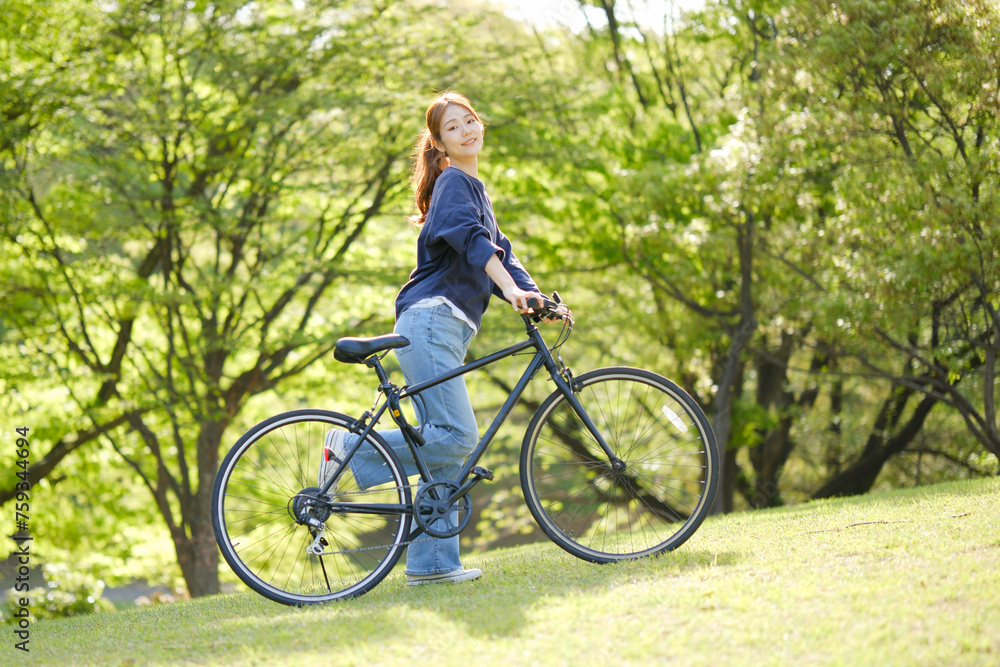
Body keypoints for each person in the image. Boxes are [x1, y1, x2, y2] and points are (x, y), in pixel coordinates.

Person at [318, 92, 550, 586]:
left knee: (441, 444)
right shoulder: (453, 185)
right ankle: (347, 450)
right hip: (430, 319)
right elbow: (473, 243)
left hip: (444, 325)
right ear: (440, 144)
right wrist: (509, 291)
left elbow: (501, 254)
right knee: (458, 436)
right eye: (453, 127)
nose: (466, 130)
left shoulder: (474, 188)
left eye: (470, 120)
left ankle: (433, 565)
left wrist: (539, 298)